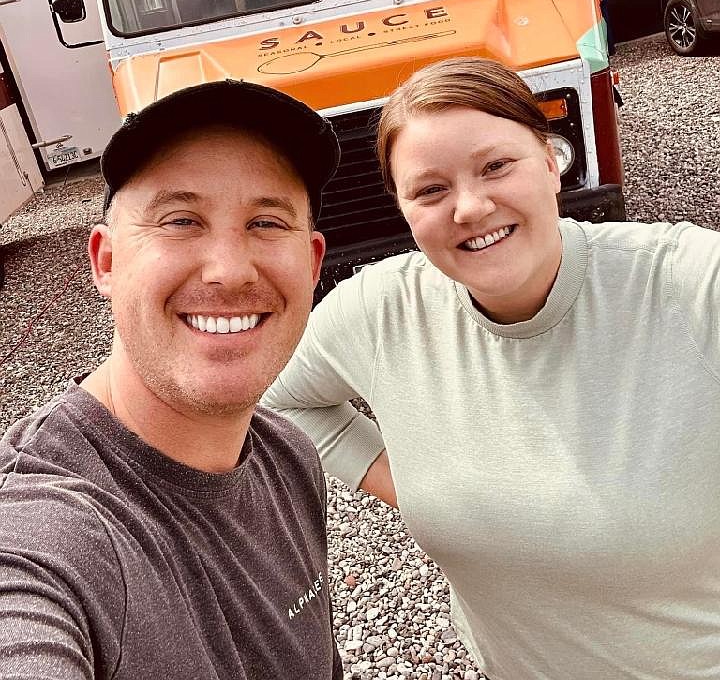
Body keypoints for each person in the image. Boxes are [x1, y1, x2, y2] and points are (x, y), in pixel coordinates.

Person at [262, 56, 720, 680]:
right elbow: (276, 396)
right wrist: (401, 478)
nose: (471, 207)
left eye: (496, 166)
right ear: (404, 212)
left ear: (553, 161)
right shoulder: (381, 311)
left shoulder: (685, 282)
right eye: (430, 190)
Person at [0, 79, 344, 680]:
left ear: (312, 263)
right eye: (181, 220)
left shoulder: (288, 458)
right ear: (106, 261)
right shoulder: (46, 529)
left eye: (266, 223)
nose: (230, 270)